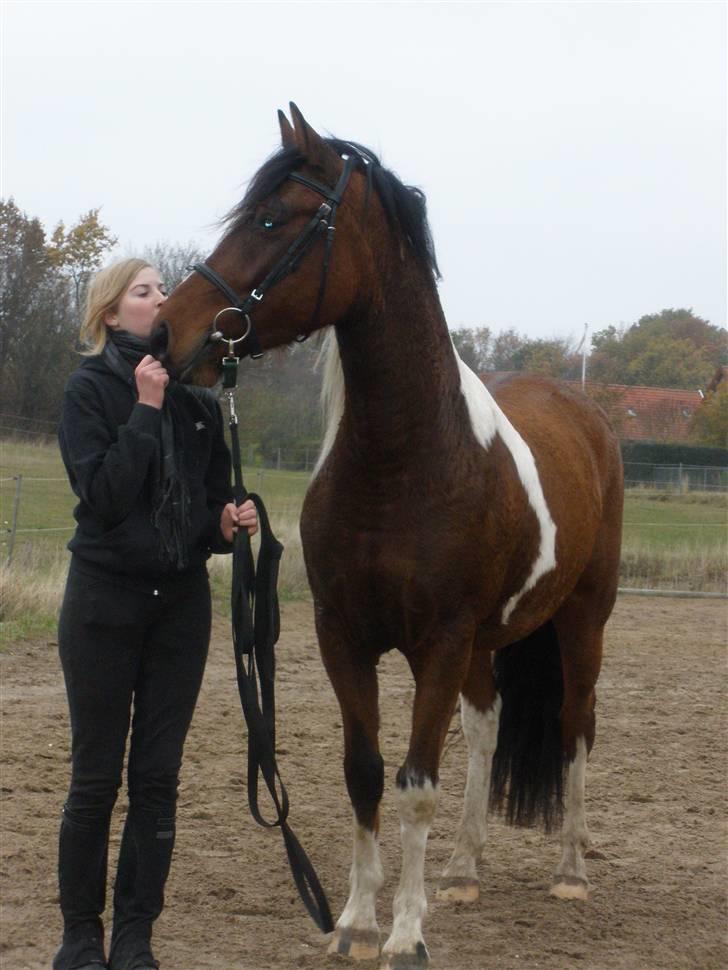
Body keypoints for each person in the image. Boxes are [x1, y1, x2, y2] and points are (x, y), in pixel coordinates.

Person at [53, 258, 257, 970]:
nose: (161, 300)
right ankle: (81, 936)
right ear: (111, 314)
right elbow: (104, 502)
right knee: (95, 778)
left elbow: (206, 515)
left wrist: (229, 524)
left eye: (163, 290)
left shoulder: (199, 398)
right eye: (144, 292)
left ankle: (136, 935)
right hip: (103, 607)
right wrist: (143, 408)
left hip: (179, 610)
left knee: (157, 780)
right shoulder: (89, 391)